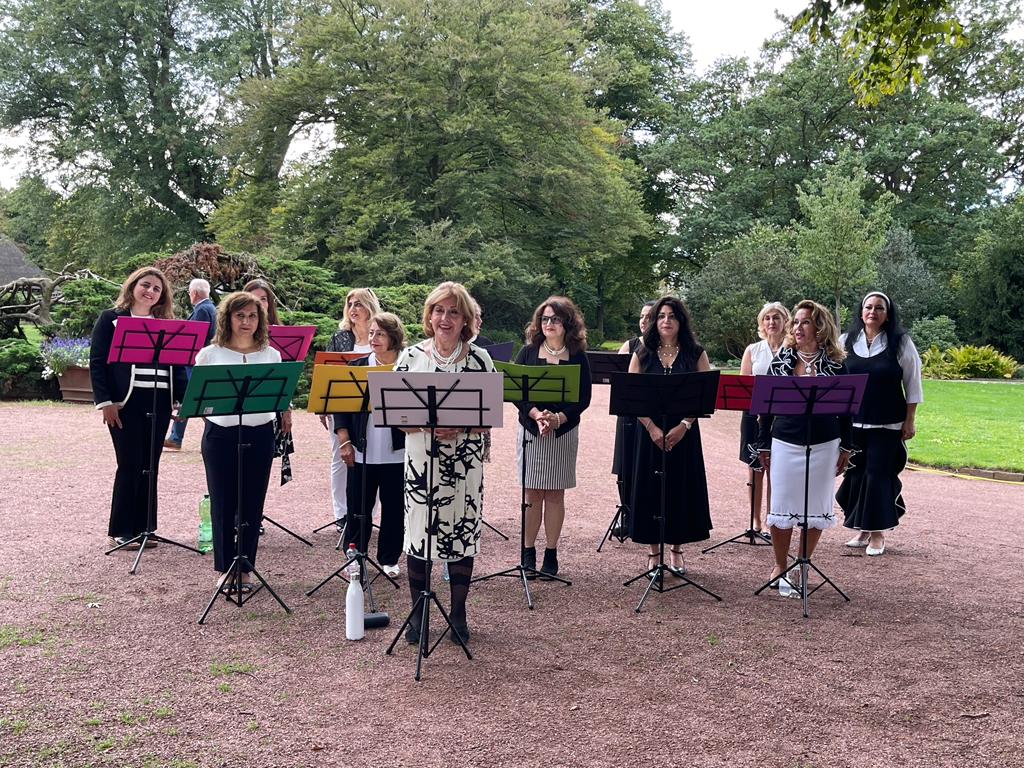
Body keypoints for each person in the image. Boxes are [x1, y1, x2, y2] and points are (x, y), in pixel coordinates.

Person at [394, 281, 495, 645]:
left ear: (465, 318)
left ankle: (458, 612)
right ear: (429, 316)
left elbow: (489, 417)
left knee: (460, 536)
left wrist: (462, 424)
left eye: (454, 311)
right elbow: (393, 414)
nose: (445, 318)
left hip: (465, 464)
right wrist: (420, 421)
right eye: (439, 310)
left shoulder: (480, 359)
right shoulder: (410, 357)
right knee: (419, 536)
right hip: (421, 461)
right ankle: (418, 615)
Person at [756, 300, 854, 597]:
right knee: (782, 505)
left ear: (820, 327)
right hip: (785, 441)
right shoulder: (780, 362)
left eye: (805, 322)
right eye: (795, 322)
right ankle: (778, 565)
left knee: (816, 507)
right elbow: (765, 410)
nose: (798, 327)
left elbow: (848, 410)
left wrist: (847, 447)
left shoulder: (837, 364)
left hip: (825, 443)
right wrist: (763, 443)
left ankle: (803, 563)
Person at [90, 266, 187, 549]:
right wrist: (106, 402)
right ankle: (120, 529)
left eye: (157, 289)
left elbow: (178, 366)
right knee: (129, 463)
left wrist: (180, 400)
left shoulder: (167, 324)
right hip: (125, 402)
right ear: (133, 286)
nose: (150, 291)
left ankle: (146, 527)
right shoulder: (111, 319)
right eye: (146, 285)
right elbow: (97, 362)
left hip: (158, 400)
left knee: (150, 465)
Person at [194, 292, 281, 592]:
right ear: (228, 318)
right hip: (221, 435)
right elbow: (200, 402)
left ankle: (245, 568)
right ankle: (224, 566)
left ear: (261, 320)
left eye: (253, 316)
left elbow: (279, 398)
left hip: (260, 433)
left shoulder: (271, 355)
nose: (246, 322)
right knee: (222, 500)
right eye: (240, 315)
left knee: (252, 502)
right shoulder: (210, 354)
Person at [629, 296, 714, 575]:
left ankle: (676, 550)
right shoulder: (642, 351)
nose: (666, 321)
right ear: (654, 321)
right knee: (651, 490)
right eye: (662, 316)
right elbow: (632, 398)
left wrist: (684, 425)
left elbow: (704, 397)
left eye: (672, 316)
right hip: (649, 433)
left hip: (684, 434)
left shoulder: (695, 353)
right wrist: (653, 429)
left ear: (681, 321)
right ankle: (654, 553)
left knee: (679, 488)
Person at [836, 291, 923, 556]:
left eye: (879, 308)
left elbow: (913, 383)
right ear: (861, 311)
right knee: (856, 475)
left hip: (888, 423)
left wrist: (910, 420)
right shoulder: (845, 341)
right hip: (853, 423)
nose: (873, 312)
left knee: (876, 476)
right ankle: (862, 528)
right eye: (868, 307)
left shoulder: (900, 342)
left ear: (887, 314)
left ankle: (877, 534)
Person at [514, 296, 592, 578]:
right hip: (532, 430)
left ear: (567, 323)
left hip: (564, 432)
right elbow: (516, 392)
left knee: (555, 494)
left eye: (555, 319)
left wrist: (558, 419)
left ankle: (551, 553)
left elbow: (583, 398)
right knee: (532, 492)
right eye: (544, 319)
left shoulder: (578, 356)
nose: (548, 324)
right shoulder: (528, 352)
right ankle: (527, 551)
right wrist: (536, 415)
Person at [333, 312, 407, 577]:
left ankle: (389, 558)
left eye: (380, 334)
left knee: (395, 508)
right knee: (358, 506)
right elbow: (340, 409)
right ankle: (355, 555)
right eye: (372, 333)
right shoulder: (357, 366)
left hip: (398, 452)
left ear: (394, 338)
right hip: (362, 450)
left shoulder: (407, 366)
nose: (373, 338)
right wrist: (345, 441)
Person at [323, 288, 382, 530]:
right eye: (350, 304)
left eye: (358, 303)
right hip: (343, 405)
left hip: (376, 406)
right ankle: (342, 513)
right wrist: (325, 406)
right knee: (340, 456)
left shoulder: (380, 333)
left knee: (375, 457)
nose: (353, 308)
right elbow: (327, 373)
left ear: (370, 306)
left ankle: (368, 513)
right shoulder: (340, 338)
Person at [738, 302, 791, 536]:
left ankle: (772, 518)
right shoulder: (753, 350)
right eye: (767, 318)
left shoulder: (792, 350)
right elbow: (743, 385)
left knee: (775, 471)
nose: (772, 322)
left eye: (776, 318)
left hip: (781, 418)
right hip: (753, 416)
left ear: (785, 321)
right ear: (762, 323)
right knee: (754, 468)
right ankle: (755, 520)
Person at [610, 300, 656, 538]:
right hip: (628, 415)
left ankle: (647, 514)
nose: (644, 321)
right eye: (641, 316)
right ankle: (627, 513)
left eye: (649, 316)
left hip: (652, 416)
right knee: (624, 465)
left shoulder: (663, 348)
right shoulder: (629, 346)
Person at [242, 279, 293, 489]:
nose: (259, 303)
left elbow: (287, 377)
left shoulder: (280, 336)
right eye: (254, 298)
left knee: (260, 465)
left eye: (263, 299)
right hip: (239, 404)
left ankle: (254, 516)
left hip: (270, 406)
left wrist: (287, 411)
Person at [164, 278, 217, 450]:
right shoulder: (211, 308)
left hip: (197, 362)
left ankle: (214, 432)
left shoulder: (202, 310)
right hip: (203, 361)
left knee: (197, 399)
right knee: (191, 399)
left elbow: (194, 337)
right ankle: (176, 437)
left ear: (193, 293)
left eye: (189, 292)